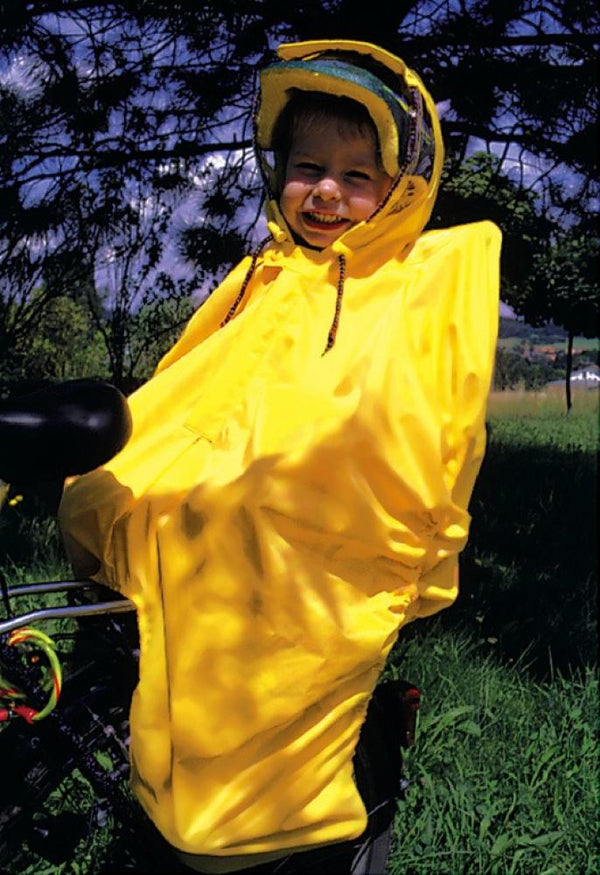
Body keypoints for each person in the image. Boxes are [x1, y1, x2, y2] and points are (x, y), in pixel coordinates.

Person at [59, 39, 501, 873]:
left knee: (264, 571)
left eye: (357, 175)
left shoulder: (406, 285)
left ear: (402, 185)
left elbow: (414, 417)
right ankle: (172, 767)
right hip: (217, 526)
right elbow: (189, 385)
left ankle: (272, 815)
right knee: (116, 502)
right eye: (307, 166)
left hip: (314, 535)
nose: (327, 191)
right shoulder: (262, 274)